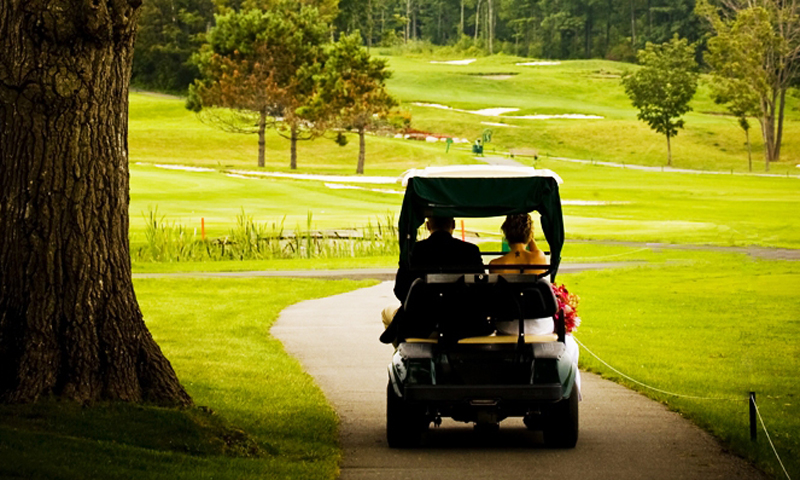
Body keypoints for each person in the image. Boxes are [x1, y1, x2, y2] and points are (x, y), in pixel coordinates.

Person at [490, 213, 581, 397]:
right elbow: (535, 252)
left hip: (508, 326)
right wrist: (530, 239)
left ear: (505, 234)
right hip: (539, 326)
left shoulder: (495, 264)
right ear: (529, 234)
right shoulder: (538, 258)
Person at [380, 216, 484, 344]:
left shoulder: (414, 250)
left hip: (421, 321)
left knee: (387, 312)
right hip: (462, 321)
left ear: (428, 226)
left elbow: (400, 290)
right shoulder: (471, 251)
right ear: (453, 225)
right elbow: (480, 290)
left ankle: (404, 352)